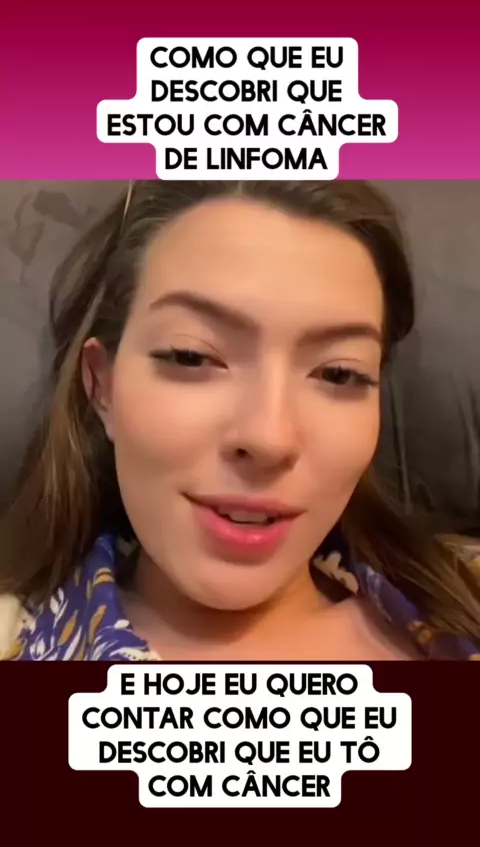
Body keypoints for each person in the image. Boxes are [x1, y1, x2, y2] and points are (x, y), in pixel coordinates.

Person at [0, 179, 479, 662]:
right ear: (101, 386)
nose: (269, 438)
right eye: (191, 356)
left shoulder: (465, 591)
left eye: (339, 373)